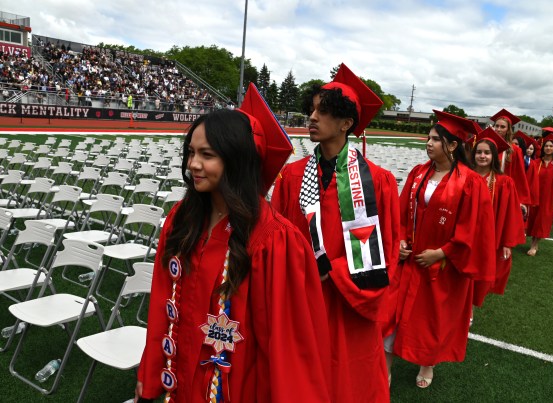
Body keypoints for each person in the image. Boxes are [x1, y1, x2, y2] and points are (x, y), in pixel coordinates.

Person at [135, 83, 331, 402]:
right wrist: (152, 370)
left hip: (239, 384)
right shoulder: (181, 219)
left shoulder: (274, 240)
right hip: (181, 375)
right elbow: (162, 300)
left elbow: (289, 348)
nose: (192, 165)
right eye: (191, 152)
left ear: (237, 161)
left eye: (207, 155)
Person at [271, 63, 399, 402]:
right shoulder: (292, 177)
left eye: (323, 111)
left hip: (350, 303)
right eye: (311, 109)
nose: (312, 117)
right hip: (301, 297)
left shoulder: (379, 182)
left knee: (348, 379)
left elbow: (386, 247)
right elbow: (276, 239)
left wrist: (332, 272)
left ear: (345, 123)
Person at [386, 110, 495, 389]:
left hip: (440, 267)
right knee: (391, 315)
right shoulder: (418, 173)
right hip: (409, 262)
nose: (429, 142)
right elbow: (399, 213)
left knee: (431, 321)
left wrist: (443, 252)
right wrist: (398, 240)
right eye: (429, 137)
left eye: (436, 139)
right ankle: (383, 369)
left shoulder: (470, 182)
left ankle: (427, 364)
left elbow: (473, 228)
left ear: (453, 145)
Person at [469, 127, 525, 301]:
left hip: (490, 236)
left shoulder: (504, 182)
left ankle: (470, 307)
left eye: (487, 153)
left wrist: (507, 243)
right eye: (478, 152)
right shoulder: (464, 177)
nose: (482, 156)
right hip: (466, 234)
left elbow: (510, 215)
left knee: (480, 273)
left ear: (494, 156)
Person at [490, 109, 531, 207]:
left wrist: (521, 199)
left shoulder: (515, 150)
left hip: (503, 190)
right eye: (497, 126)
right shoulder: (488, 145)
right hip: (486, 187)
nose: (498, 129)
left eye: (502, 127)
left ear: (508, 130)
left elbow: (519, 174)